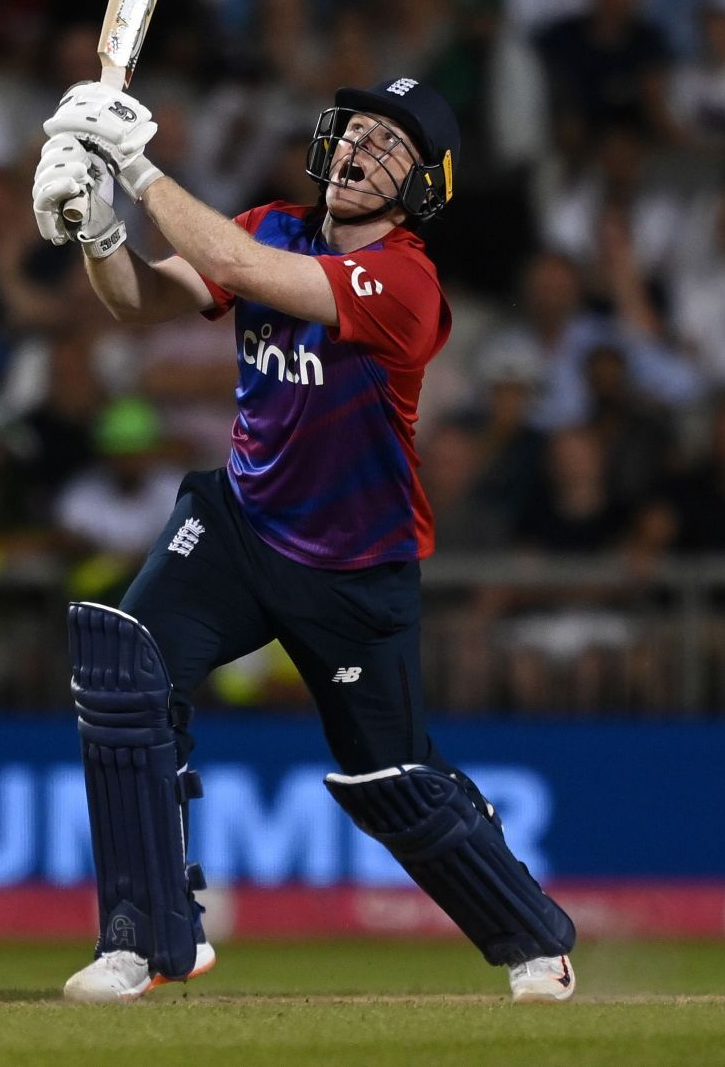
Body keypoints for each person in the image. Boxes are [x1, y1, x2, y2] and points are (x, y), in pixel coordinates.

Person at [31, 77, 575, 1002]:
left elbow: (241, 272)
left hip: (355, 563)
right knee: (126, 674)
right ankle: (147, 939)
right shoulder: (272, 222)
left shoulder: (407, 280)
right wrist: (97, 226)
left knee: (391, 778)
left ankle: (533, 941)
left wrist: (134, 165)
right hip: (241, 523)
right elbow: (140, 300)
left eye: (390, 144)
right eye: (355, 130)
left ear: (424, 184)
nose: (361, 150)